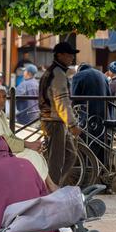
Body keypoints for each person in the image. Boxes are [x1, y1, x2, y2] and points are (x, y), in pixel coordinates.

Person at [0, 85, 57, 192]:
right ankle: (44, 189)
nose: (2, 100)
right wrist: (29, 145)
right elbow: (0, 141)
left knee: (34, 154)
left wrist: (29, 144)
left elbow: (10, 137)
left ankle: (46, 187)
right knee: (32, 156)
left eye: (4, 97)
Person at [39, 41, 81, 186]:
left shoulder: (52, 72)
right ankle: (50, 190)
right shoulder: (58, 73)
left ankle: (53, 186)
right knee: (56, 161)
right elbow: (61, 101)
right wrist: (72, 124)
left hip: (53, 120)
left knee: (70, 155)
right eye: (69, 55)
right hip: (54, 121)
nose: (71, 58)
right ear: (60, 55)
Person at [72, 63, 111, 163]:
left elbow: (74, 99)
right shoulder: (103, 75)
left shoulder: (78, 76)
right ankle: (103, 169)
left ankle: (88, 168)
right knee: (102, 141)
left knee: (86, 142)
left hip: (88, 116)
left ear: (79, 70)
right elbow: (109, 98)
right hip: (104, 115)